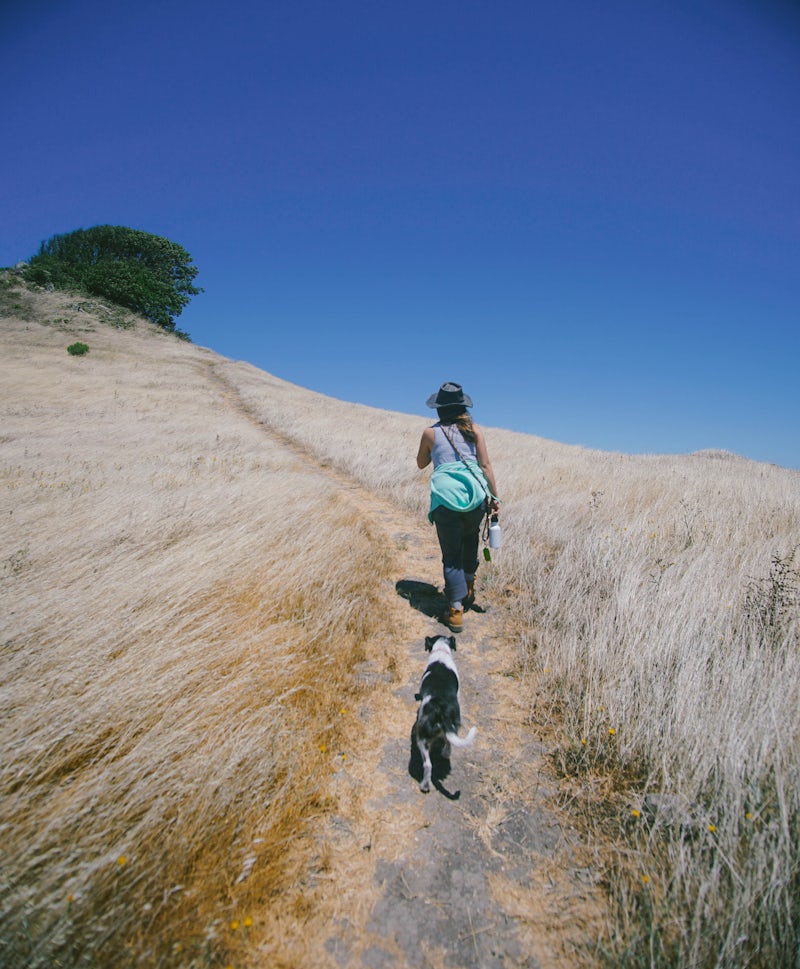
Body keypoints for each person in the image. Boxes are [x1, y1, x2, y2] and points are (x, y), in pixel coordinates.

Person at [416, 382, 500, 633]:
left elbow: (421, 463)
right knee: (470, 539)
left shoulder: (430, 433)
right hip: (475, 497)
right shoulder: (475, 430)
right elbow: (486, 467)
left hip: (446, 500)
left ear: (439, 409)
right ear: (463, 406)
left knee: (451, 554)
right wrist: (495, 498)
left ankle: (455, 609)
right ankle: (468, 589)